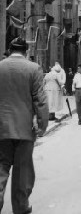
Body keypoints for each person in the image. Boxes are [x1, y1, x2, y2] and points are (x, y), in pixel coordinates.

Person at [0, 37, 48, 214]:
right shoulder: (33, 68)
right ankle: (20, 208)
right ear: (26, 51)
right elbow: (40, 101)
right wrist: (42, 125)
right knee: (22, 172)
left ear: (9, 50)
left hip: (1, 128)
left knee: (1, 167)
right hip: (24, 130)